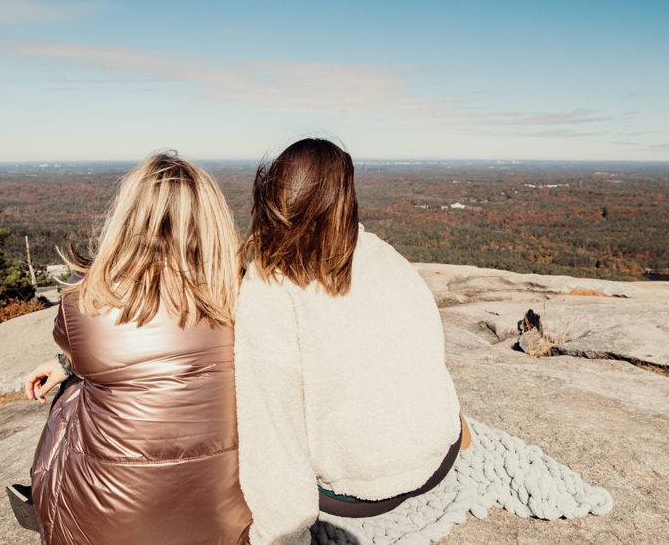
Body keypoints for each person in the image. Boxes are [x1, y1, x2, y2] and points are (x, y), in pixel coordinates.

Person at [234, 138, 468, 545]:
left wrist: (281, 532)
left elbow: (271, 423)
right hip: (438, 457)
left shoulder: (270, 283)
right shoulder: (386, 254)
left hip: (360, 489)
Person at [24, 153, 252, 545]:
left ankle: (44, 504)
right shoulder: (247, 292)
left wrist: (69, 366)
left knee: (71, 399)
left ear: (127, 215)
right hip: (228, 516)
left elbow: (97, 354)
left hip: (102, 525)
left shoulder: (87, 296)